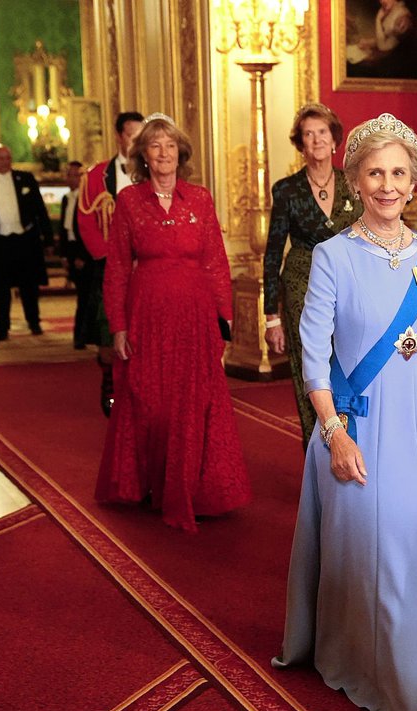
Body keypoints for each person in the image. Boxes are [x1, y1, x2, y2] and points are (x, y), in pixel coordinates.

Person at [273, 113, 417, 711]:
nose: (387, 185)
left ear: (413, 181)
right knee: (379, 557)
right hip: (359, 425)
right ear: (356, 181)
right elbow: (311, 353)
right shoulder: (333, 256)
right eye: (375, 173)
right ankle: (367, 668)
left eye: (398, 173)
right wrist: (333, 433)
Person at [94, 113, 250, 533]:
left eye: (169, 146)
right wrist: (119, 325)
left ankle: (196, 488)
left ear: (181, 153)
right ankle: (152, 484)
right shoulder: (128, 201)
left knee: (195, 400)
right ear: (142, 155)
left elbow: (216, 261)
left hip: (195, 315)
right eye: (154, 146)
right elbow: (117, 268)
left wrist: (226, 320)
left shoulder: (200, 198)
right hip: (146, 314)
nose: (163, 153)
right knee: (151, 402)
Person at [263, 103, 360, 445]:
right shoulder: (286, 190)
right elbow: (273, 251)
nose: (316, 140)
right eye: (308, 134)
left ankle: (353, 446)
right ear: (300, 144)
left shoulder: (354, 183)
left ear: (334, 139)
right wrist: (271, 317)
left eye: (322, 132)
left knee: (350, 369)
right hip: (301, 286)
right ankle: (317, 457)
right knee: (311, 374)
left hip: (350, 289)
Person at [78, 111, 145, 415]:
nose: (136, 141)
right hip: (109, 265)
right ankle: (109, 382)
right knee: (108, 330)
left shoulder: (152, 171)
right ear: (119, 136)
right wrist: (108, 257)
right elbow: (86, 220)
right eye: (132, 134)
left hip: (145, 265)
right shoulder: (96, 176)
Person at [0, 144, 54, 341]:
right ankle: (1, 328)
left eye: (8, 158)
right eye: (0, 158)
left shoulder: (26, 179)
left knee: (29, 286)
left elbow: (41, 211)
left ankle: (34, 322)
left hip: (25, 240)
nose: (5, 162)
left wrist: (47, 240)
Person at [59, 161, 94, 349]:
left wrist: (83, 255)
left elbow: (88, 230)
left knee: (85, 296)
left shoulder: (88, 199)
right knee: (81, 295)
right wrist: (64, 255)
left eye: (76, 175)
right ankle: (80, 335)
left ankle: (81, 336)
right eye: (70, 175)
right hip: (72, 251)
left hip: (84, 253)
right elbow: (65, 229)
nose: (72, 179)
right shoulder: (66, 198)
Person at [345, 0, 417, 80]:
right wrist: (368, 43)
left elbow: (383, 46)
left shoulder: (402, 20)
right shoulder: (393, 9)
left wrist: (378, 20)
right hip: (376, 49)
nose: (381, 1)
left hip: (387, 62)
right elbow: (381, 39)